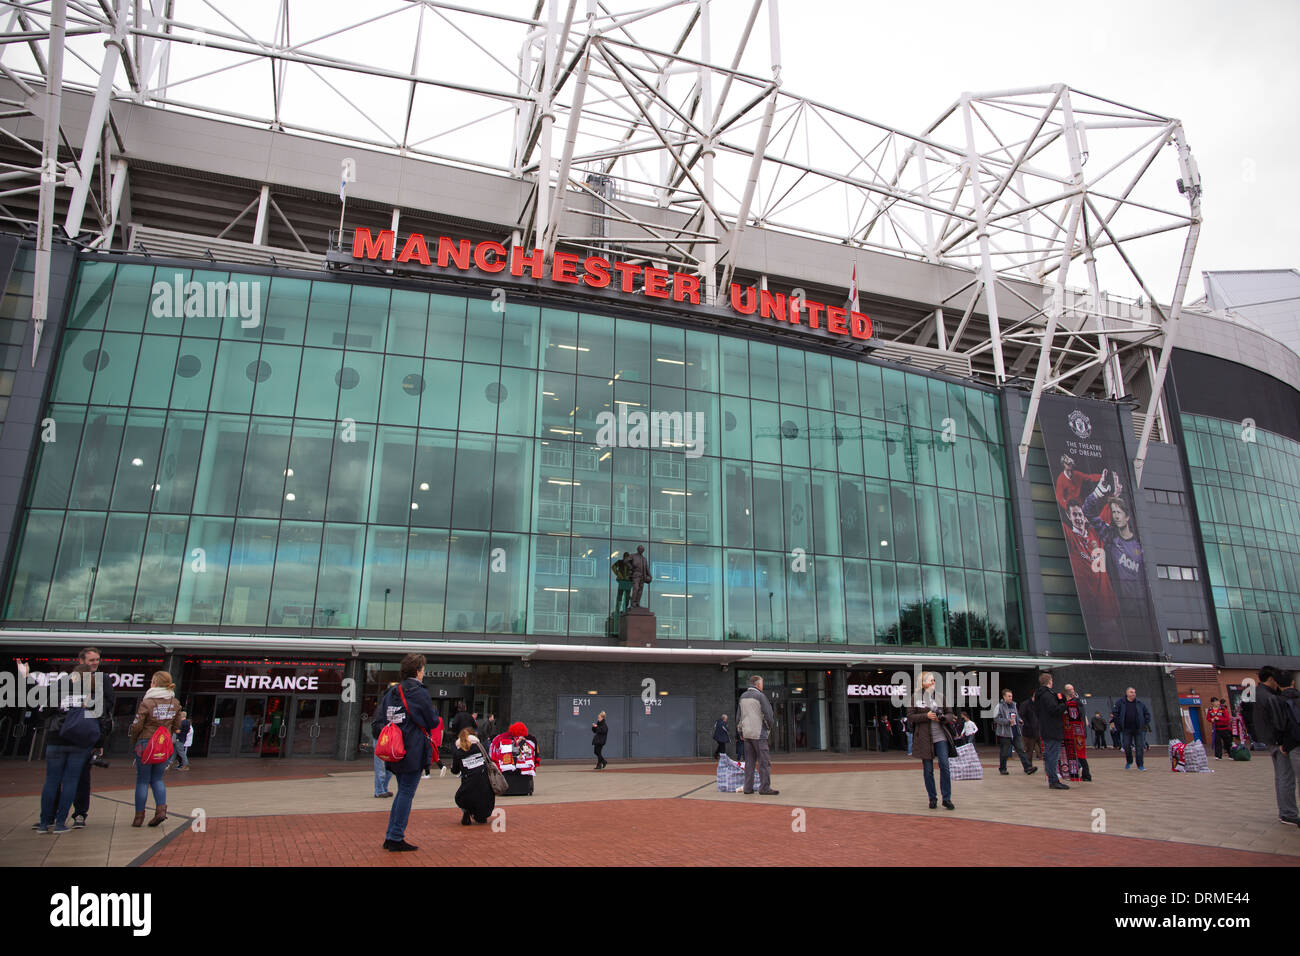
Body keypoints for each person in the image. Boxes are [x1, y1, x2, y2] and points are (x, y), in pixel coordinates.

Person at [372, 654, 439, 851]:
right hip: (412, 750)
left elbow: (380, 721)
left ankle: (391, 835)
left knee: (402, 792)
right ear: (418, 671)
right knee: (406, 793)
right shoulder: (419, 693)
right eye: (423, 669)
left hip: (394, 749)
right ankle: (395, 837)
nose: (423, 673)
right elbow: (432, 721)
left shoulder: (392, 692)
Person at [36, 665, 100, 834]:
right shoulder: (91, 695)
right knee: (71, 781)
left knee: (51, 781)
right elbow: (98, 720)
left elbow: (42, 713)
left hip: (56, 739)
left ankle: (44, 822)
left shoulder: (58, 691)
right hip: (79, 742)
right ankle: (60, 823)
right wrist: (98, 744)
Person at [128, 671, 183, 827]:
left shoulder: (147, 702)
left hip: (146, 741)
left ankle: (139, 817)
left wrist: (134, 740)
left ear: (155, 683)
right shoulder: (175, 702)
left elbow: (137, 725)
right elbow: (177, 726)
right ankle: (161, 811)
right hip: (163, 743)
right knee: (158, 778)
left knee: (142, 780)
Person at [907, 672, 958, 809]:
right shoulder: (915, 697)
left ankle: (946, 798)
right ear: (923, 683)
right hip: (924, 737)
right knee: (928, 770)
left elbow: (950, 714)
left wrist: (942, 718)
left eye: (934, 680)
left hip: (940, 736)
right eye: (930, 680)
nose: (933, 682)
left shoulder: (941, 697)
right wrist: (926, 716)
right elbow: (910, 717)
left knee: (945, 766)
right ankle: (932, 798)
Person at [1255, 666, 1297, 826]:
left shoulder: (1257, 693)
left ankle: (1285, 812)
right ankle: (1288, 813)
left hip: (1269, 740)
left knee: (1281, 777)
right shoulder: (1269, 697)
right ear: (1271, 680)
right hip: (1278, 742)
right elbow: (1280, 722)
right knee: (1286, 777)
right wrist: (1281, 742)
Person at [736, 675, 778, 795]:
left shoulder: (742, 696)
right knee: (764, 762)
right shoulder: (761, 696)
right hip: (759, 734)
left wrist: (740, 731)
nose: (762, 685)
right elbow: (769, 715)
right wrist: (768, 728)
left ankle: (748, 788)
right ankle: (764, 788)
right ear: (758, 685)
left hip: (747, 734)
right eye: (762, 683)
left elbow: (738, 716)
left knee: (749, 762)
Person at [451, 727, 495, 825]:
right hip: (484, 783)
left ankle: (466, 811)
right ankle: (481, 816)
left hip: (468, 785)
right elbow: (489, 760)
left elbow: (454, 770)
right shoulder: (480, 747)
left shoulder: (458, 753)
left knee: (461, 797)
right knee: (484, 797)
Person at [1033, 672, 1069, 790]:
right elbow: (1054, 710)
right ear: (1049, 681)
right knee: (1053, 755)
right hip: (1053, 728)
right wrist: (1065, 705)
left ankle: (1051, 779)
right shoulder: (1048, 695)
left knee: (1048, 755)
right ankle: (1054, 780)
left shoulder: (1038, 695)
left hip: (1045, 728)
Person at [995, 688, 1036, 776]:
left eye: (1011, 696)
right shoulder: (999, 706)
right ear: (1004, 697)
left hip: (1015, 731)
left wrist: (1020, 721)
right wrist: (1007, 721)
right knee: (1005, 752)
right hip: (1005, 733)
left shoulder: (1014, 705)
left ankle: (1028, 767)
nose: (1011, 698)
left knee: (1021, 750)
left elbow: (1017, 716)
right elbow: (996, 719)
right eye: (1009, 696)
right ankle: (1003, 768)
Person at [1110, 687, 1152, 771]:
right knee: (1126, 746)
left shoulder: (1140, 703)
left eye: (1134, 692)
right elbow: (1115, 713)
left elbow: (1147, 714)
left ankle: (1140, 765)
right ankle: (1129, 761)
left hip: (1138, 729)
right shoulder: (1120, 703)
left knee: (1139, 747)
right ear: (1127, 693)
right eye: (1131, 692)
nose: (1133, 694)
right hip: (1126, 729)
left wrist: (1144, 723)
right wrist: (1119, 725)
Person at [1061, 685, 1092, 782]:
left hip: (1076, 733)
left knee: (1079, 754)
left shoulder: (1073, 704)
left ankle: (1085, 774)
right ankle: (1083, 773)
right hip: (1079, 732)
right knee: (1079, 754)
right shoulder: (1078, 703)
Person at [1018, 694, 1042, 762]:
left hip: (1037, 729)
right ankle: (1028, 766)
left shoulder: (1037, 704)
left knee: (1039, 747)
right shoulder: (1026, 704)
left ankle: (1038, 758)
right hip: (1029, 731)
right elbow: (1022, 715)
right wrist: (1027, 725)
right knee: (1029, 749)